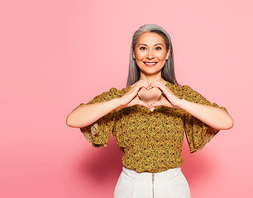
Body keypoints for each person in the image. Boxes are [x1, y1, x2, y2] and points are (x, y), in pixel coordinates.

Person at [66, 24, 233, 198]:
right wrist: (120, 102)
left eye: (158, 48)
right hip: (130, 186)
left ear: (167, 53)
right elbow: (73, 119)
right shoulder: (119, 98)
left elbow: (226, 121)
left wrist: (178, 103)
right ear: (133, 53)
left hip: (173, 186)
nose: (150, 55)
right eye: (143, 48)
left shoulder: (181, 96)